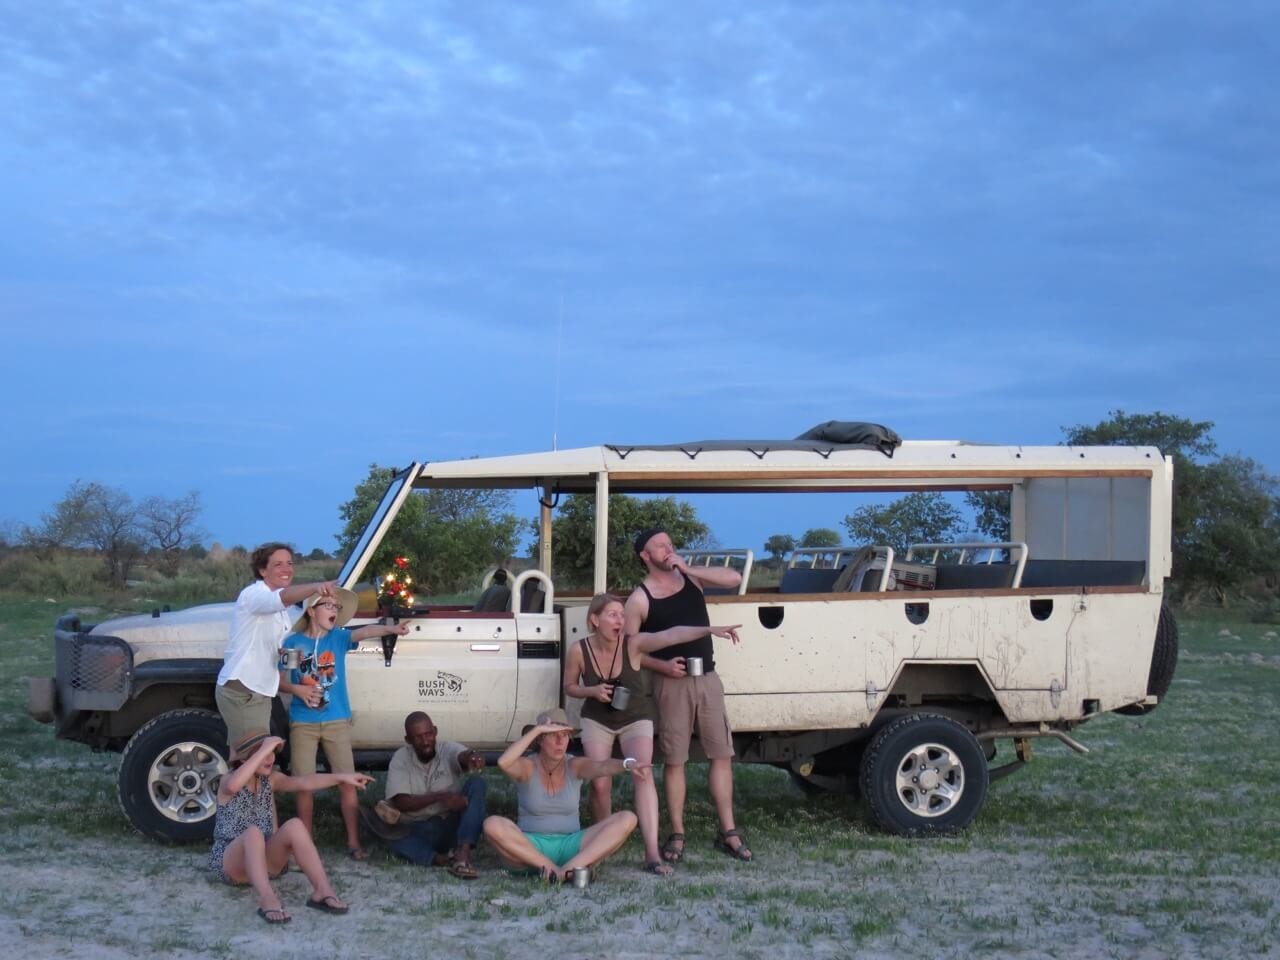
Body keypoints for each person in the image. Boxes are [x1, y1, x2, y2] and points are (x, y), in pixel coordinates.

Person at [562, 593, 741, 875]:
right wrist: (591, 691)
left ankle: (652, 854)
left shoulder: (633, 644)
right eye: (612, 614)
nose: (620, 620)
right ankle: (603, 847)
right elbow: (569, 686)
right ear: (594, 620)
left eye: (622, 614)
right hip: (597, 719)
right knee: (599, 784)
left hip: (636, 718)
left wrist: (710, 630)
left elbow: (672, 635)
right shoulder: (578, 650)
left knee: (642, 772)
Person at [625, 528, 754, 863]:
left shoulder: (692, 580)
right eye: (660, 546)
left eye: (670, 544)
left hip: (708, 679)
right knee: (674, 760)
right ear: (645, 556)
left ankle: (729, 831)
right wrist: (662, 667)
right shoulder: (640, 598)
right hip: (671, 684)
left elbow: (733, 577)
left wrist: (688, 568)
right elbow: (631, 650)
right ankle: (678, 833)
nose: (668, 549)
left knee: (722, 754)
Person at [279, 588, 409, 861]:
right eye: (328, 605)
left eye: (337, 606)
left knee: (347, 781)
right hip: (303, 722)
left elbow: (363, 631)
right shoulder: (293, 642)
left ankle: (353, 841)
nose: (334, 610)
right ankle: (305, 842)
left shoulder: (338, 638)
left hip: (337, 720)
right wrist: (299, 691)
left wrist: (392, 629)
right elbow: (280, 681)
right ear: (312, 611)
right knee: (304, 784)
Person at [209, 729, 372, 924]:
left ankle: (322, 891)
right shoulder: (227, 781)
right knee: (253, 833)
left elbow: (305, 782)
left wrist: (342, 778)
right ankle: (267, 898)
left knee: (295, 825)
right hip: (232, 865)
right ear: (245, 760)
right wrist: (266, 746)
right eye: (263, 754)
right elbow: (233, 786)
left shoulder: (270, 780)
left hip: (266, 863)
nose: (270, 758)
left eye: (272, 753)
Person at [483, 708, 642, 884]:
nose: (560, 741)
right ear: (540, 740)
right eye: (553, 735)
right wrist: (537, 729)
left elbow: (603, 766)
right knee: (492, 825)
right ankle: (551, 869)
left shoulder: (574, 764)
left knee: (628, 818)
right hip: (530, 850)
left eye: (565, 735)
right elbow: (503, 762)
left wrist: (627, 764)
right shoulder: (528, 766)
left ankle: (565, 870)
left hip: (572, 846)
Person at [216, 542, 336, 747]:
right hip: (244, 690)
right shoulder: (253, 595)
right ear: (263, 570)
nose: (286, 569)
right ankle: (239, 780)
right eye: (278, 564)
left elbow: (278, 653)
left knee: (245, 756)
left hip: (259, 691)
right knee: (253, 758)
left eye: (289, 563)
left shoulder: (281, 611)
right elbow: (283, 598)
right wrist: (316, 587)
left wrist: (309, 665)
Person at [383, 711, 488, 879]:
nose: (426, 741)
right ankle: (440, 859)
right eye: (418, 737)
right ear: (408, 740)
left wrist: (473, 757)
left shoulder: (447, 748)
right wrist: (442, 797)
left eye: (429, 734)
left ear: (435, 731)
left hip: (452, 825)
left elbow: (463, 756)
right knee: (390, 838)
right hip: (421, 828)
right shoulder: (400, 758)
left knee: (477, 783)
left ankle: (463, 854)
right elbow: (401, 802)